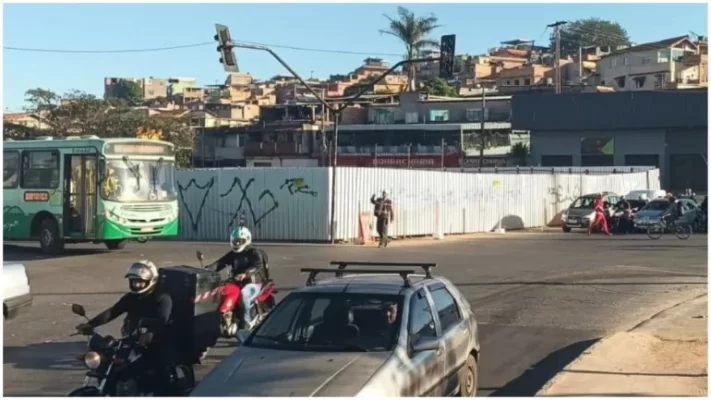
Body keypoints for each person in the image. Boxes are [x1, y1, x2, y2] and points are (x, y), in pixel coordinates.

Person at [74, 261, 179, 395]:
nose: (136, 285)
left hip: (157, 339)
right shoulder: (131, 297)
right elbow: (113, 312)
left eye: (140, 282)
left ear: (150, 281)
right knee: (112, 364)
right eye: (133, 281)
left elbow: (162, 320)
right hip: (133, 337)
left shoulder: (162, 298)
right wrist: (91, 324)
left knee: (157, 369)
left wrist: (149, 333)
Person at [206, 226, 269, 329]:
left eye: (240, 241)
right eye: (235, 241)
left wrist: (246, 274)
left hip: (253, 282)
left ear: (247, 240)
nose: (237, 244)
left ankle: (246, 324)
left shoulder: (253, 252)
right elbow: (220, 263)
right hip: (236, 281)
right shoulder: (233, 254)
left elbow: (258, 265)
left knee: (245, 296)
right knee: (221, 292)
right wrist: (208, 270)